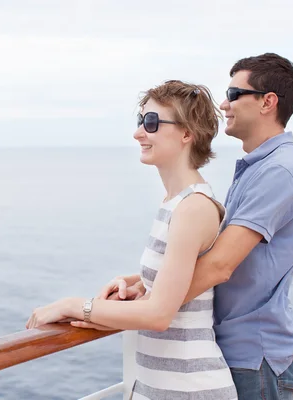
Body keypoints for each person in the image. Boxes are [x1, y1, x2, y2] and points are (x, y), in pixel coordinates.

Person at [86, 53, 293, 400]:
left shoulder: (279, 171)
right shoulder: (259, 167)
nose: (224, 104)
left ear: (268, 102)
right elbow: (212, 253)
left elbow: (219, 265)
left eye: (235, 94)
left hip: (257, 354)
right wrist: (144, 283)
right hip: (242, 349)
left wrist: (141, 302)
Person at [26, 80, 238, 399]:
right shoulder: (175, 203)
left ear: (186, 133)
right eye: (140, 122)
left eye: (151, 122)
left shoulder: (193, 207)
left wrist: (75, 306)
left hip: (189, 389)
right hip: (161, 386)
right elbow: (168, 292)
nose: (139, 133)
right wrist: (139, 284)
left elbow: (158, 314)